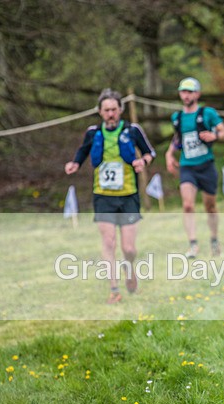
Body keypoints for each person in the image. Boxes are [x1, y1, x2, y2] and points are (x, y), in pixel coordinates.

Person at [64, 88, 156, 304]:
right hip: (103, 195)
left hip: (128, 196)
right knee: (109, 242)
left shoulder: (132, 130)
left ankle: (130, 269)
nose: (111, 114)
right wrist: (75, 163)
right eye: (106, 110)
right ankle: (114, 289)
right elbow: (82, 151)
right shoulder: (93, 132)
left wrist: (143, 161)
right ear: (100, 112)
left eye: (114, 109)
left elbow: (150, 152)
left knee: (129, 248)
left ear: (121, 110)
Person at [165, 77, 224, 258]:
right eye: (183, 92)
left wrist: (214, 136)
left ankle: (214, 239)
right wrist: (169, 153)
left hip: (206, 165)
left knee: (210, 206)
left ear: (197, 94)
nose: (186, 95)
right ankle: (193, 244)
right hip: (187, 166)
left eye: (189, 91)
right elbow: (179, 139)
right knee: (187, 205)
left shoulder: (208, 113)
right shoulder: (177, 117)